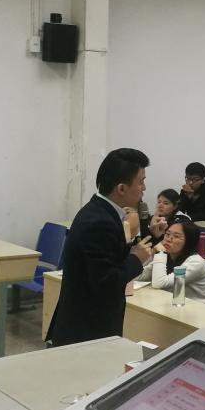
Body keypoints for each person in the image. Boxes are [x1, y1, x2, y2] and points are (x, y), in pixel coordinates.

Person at [47, 148, 155, 345]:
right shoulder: (99, 222)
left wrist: (150, 238)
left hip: (89, 324)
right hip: (86, 330)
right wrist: (136, 259)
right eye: (141, 181)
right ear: (121, 188)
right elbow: (107, 282)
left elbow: (112, 256)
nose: (144, 188)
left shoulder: (101, 212)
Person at [137, 219, 205, 304]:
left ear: (189, 241)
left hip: (200, 309)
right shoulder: (167, 256)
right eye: (167, 234)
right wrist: (152, 254)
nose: (168, 239)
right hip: (174, 305)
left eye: (176, 236)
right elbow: (137, 277)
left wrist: (160, 253)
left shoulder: (195, 262)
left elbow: (159, 283)